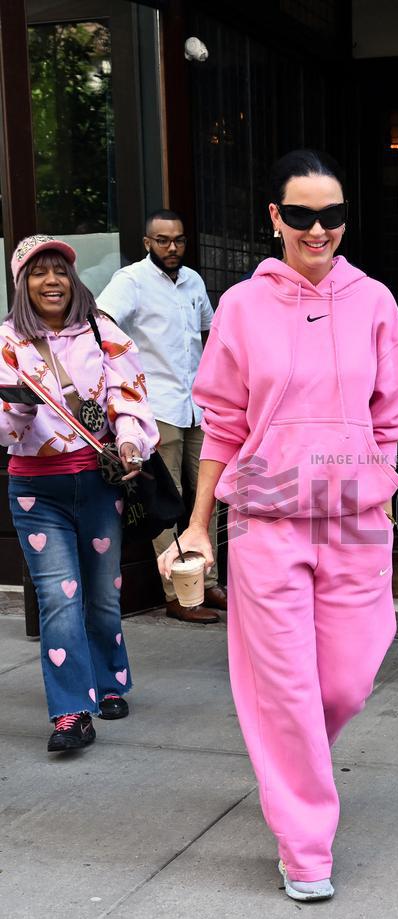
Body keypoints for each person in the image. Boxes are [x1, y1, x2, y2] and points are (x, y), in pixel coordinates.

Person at [159, 150, 398, 901]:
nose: (317, 229)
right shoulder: (241, 305)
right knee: (285, 688)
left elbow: (389, 413)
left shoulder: (374, 302)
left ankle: (289, 764)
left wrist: (382, 492)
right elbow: (224, 425)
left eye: (330, 215)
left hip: (355, 516)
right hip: (267, 511)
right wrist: (201, 526)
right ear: (275, 218)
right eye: (300, 215)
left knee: (344, 683)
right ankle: (305, 848)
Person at [0, 234, 159, 752]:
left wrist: (132, 443)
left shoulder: (102, 331)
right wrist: (18, 409)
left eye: (60, 272)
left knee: (102, 596)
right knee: (58, 600)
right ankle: (72, 711)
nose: (52, 281)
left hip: (97, 482)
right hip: (34, 490)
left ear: (73, 279)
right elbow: (4, 429)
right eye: (39, 273)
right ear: (22, 283)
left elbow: (128, 396)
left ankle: (110, 679)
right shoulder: (6, 343)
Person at [97, 210, 227, 624]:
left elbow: (208, 332)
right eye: (163, 240)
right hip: (158, 409)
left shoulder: (193, 281)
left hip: (198, 406)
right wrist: (125, 383)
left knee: (212, 496)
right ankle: (179, 594)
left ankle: (208, 582)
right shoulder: (131, 281)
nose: (172, 248)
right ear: (147, 242)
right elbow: (101, 326)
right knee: (165, 504)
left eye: (179, 240)